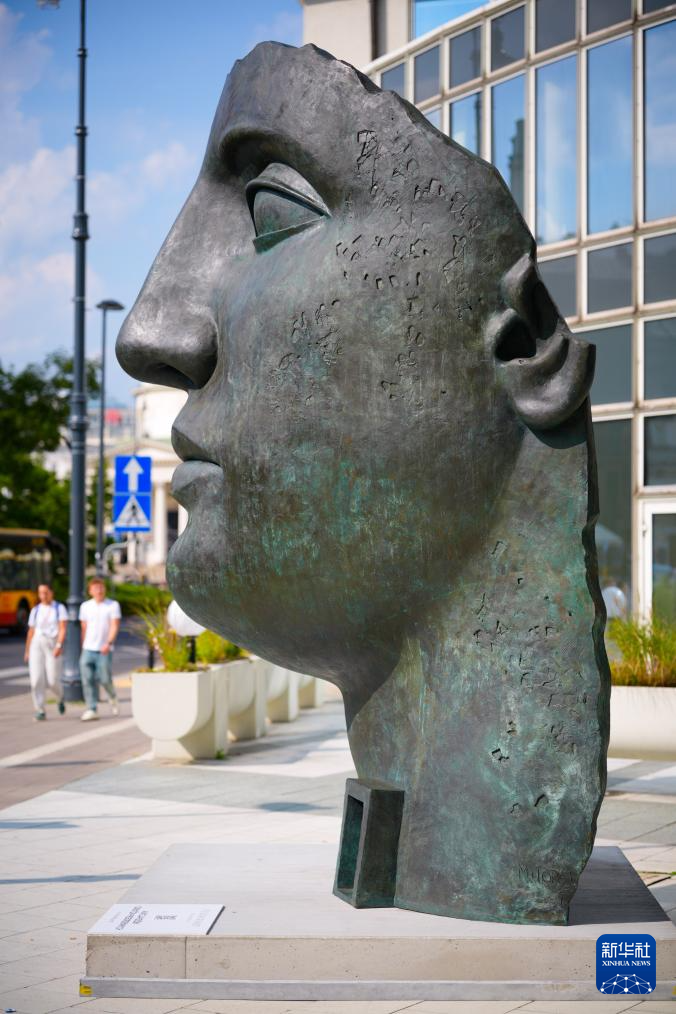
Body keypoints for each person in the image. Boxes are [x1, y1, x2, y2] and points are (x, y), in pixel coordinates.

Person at [79, 577, 121, 722]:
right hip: (88, 648)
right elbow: (84, 628)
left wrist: (108, 643)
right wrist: (83, 646)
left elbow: (115, 625)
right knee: (87, 679)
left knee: (104, 678)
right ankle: (91, 708)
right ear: (90, 591)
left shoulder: (112, 605)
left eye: (101, 587)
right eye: (96, 588)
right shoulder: (85, 606)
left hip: (104, 648)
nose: (99, 590)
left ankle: (113, 696)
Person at [24, 583, 67, 721]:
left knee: (53, 680)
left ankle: (60, 697)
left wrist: (59, 645)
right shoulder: (35, 610)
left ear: (51, 593)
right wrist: (27, 650)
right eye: (41, 593)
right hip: (37, 643)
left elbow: (62, 628)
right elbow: (31, 631)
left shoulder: (59, 608)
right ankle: (40, 709)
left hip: (52, 643)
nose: (43, 595)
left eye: (46, 592)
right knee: (36, 679)